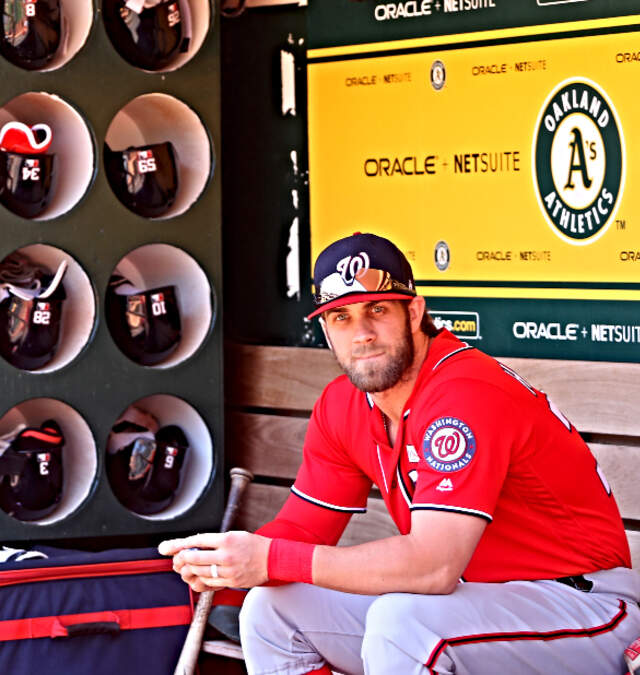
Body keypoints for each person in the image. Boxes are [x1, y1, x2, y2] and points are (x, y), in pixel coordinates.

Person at [159, 232, 640, 674]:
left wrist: (271, 559)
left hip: (583, 606)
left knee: (403, 625)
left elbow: (433, 565)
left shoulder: (464, 392)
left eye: (377, 310)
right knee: (273, 610)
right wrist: (228, 559)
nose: (362, 333)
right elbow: (303, 531)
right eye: (342, 317)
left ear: (413, 313)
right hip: (474, 604)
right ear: (326, 330)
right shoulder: (344, 405)